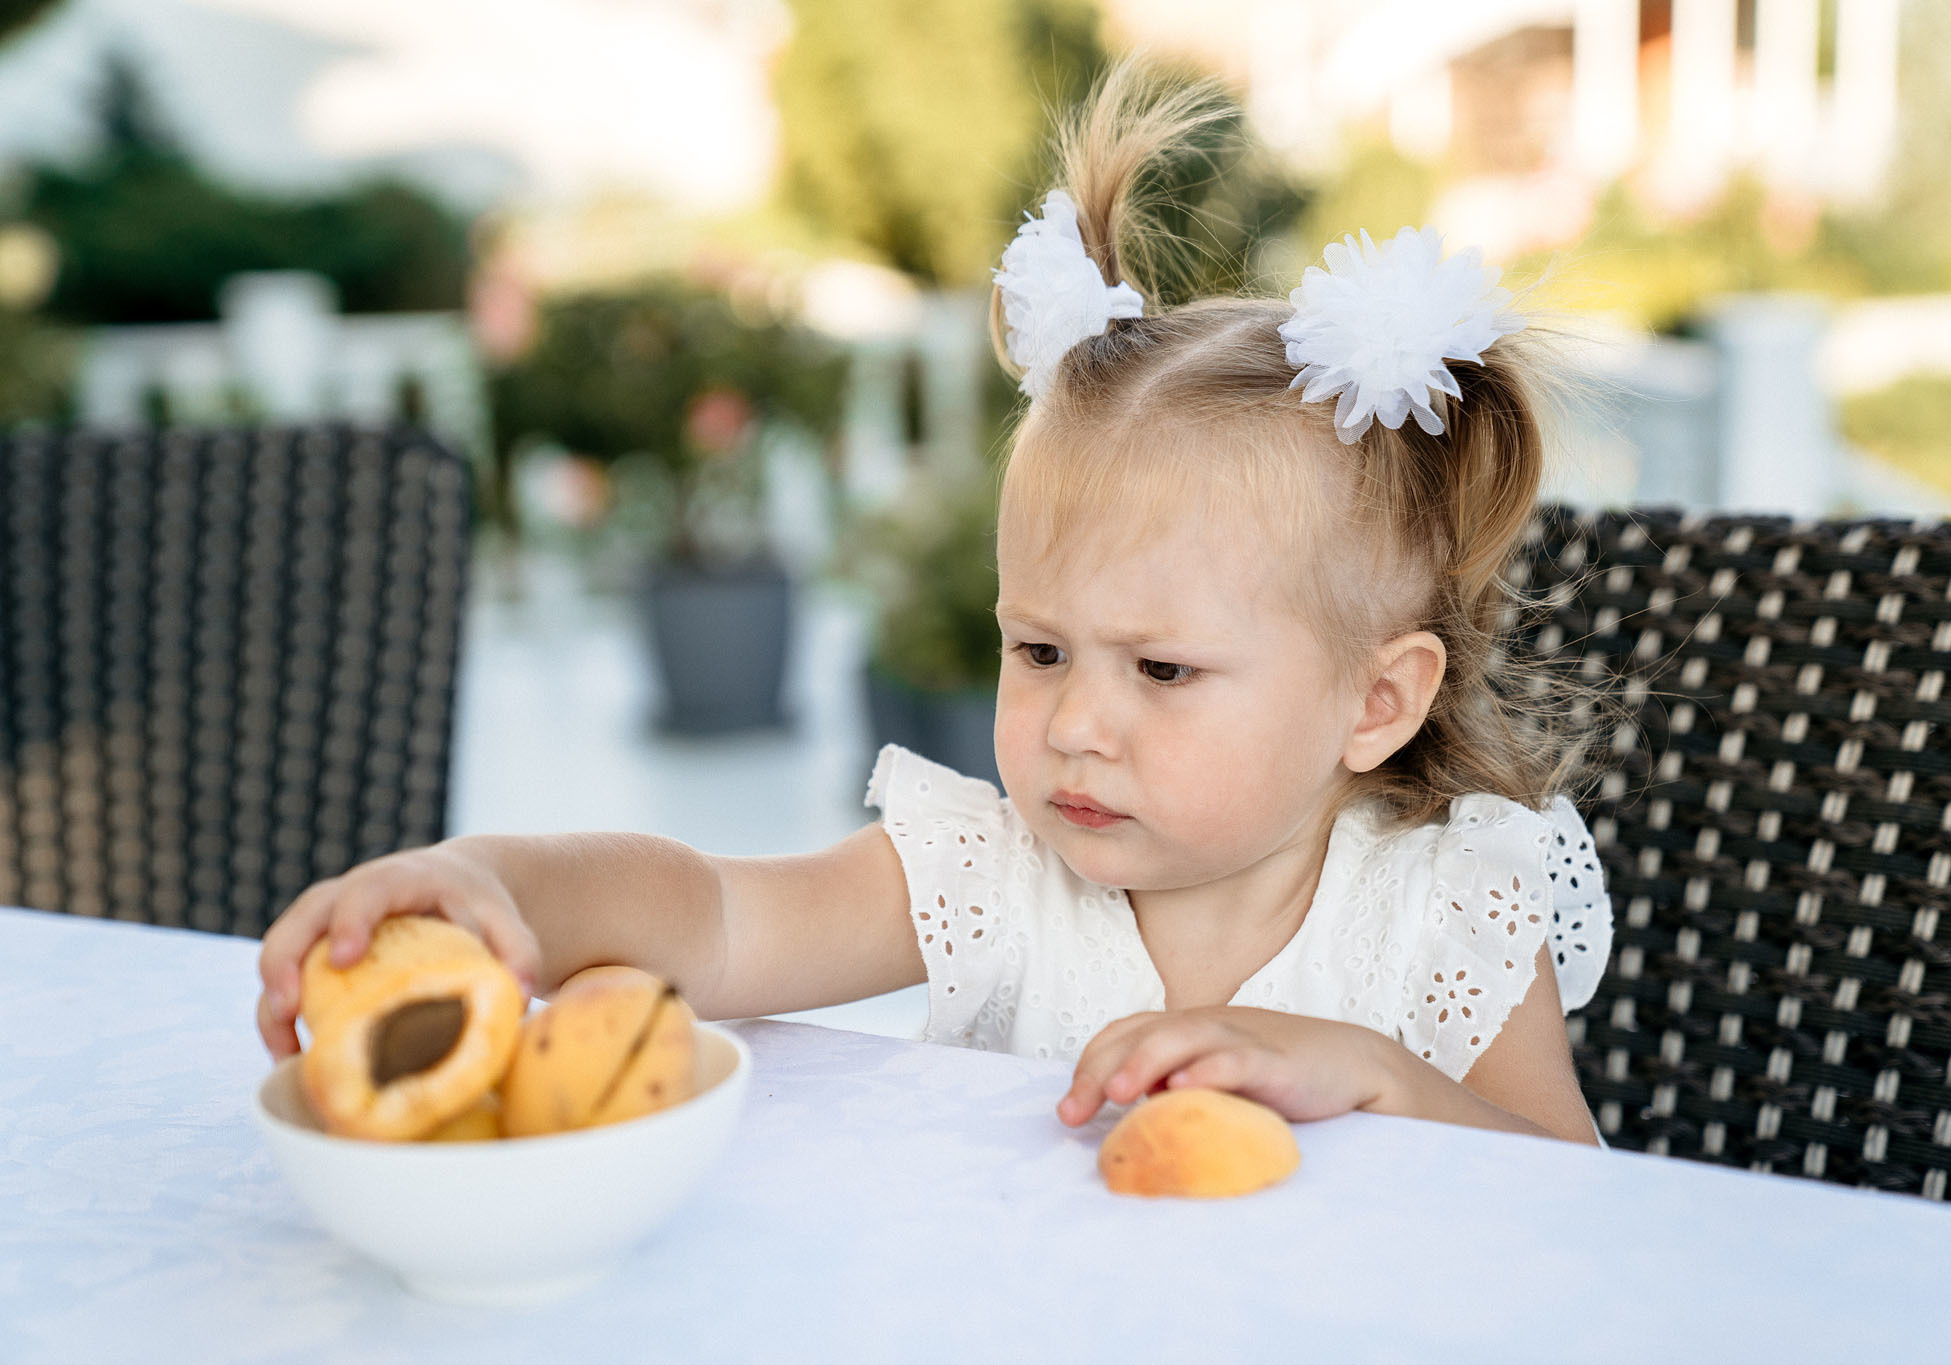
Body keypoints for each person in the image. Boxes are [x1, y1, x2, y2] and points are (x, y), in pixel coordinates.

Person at [256, 60, 1614, 1145]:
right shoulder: (994, 875)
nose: (1076, 722)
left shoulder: (1448, 913)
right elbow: (714, 915)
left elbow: (1582, 1211)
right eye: (1039, 647)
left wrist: (1374, 1075)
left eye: (1162, 671)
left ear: (1377, 700)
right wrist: (495, 879)